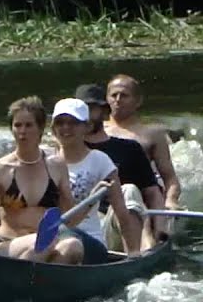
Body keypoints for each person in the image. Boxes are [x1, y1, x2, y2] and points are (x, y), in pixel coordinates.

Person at [0, 96, 86, 264]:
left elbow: (70, 218)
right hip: (8, 246)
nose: (22, 131)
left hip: (46, 243)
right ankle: (25, 281)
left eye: (28, 125)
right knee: (41, 243)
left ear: (40, 128)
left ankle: (40, 284)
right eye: (17, 125)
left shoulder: (57, 165)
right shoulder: (0, 168)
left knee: (73, 246)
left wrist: (89, 203)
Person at [75, 83, 165, 248]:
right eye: (80, 111)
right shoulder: (66, 152)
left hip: (119, 225)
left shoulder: (129, 148)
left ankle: (143, 250)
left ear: (103, 112)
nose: (84, 116)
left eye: (90, 109)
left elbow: (152, 193)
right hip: (83, 229)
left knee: (129, 190)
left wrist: (160, 226)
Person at [48, 96, 140, 256]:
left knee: (68, 242)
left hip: (89, 242)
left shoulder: (100, 160)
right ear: (53, 128)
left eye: (73, 123)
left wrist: (133, 252)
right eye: (60, 122)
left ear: (87, 127)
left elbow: (122, 215)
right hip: (52, 241)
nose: (65, 128)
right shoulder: (45, 163)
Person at [104, 74, 183, 210]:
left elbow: (170, 178)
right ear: (106, 99)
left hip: (142, 199)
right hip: (102, 198)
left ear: (138, 101)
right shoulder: (93, 131)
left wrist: (171, 200)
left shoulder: (153, 134)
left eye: (124, 95)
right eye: (114, 95)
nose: (118, 100)